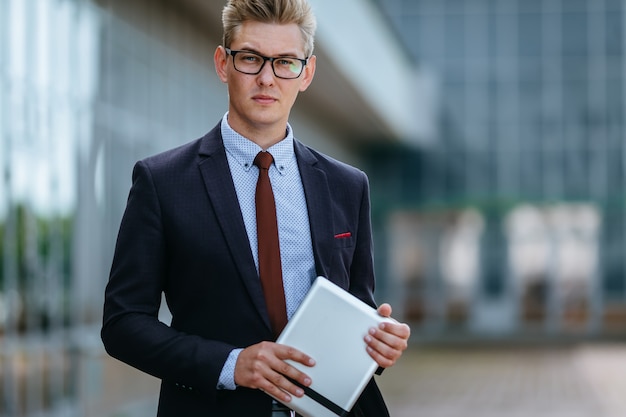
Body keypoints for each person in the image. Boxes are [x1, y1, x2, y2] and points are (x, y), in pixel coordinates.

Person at [101, 0, 411, 416]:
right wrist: (230, 365)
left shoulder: (347, 186)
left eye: (285, 62)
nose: (267, 78)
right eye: (250, 58)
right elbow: (123, 325)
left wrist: (377, 341)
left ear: (307, 73)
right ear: (222, 63)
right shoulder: (162, 182)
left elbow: (358, 303)